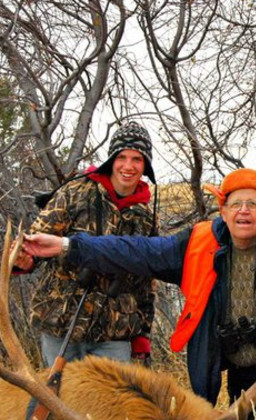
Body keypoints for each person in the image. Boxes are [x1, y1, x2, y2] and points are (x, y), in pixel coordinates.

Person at [21, 168, 256, 420]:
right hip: (248, 379)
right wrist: (68, 246)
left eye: (254, 204)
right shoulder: (197, 245)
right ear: (222, 209)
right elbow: (134, 251)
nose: (244, 211)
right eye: (235, 204)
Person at [14, 121, 159, 367]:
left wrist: (142, 335)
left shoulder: (146, 217)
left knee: (111, 402)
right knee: (57, 396)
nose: (128, 166)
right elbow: (37, 241)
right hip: (62, 324)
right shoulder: (75, 193)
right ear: (111, 160)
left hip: (115, 332)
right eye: (122, 157)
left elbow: (146, 283)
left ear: (145, 165)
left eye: (137, 159)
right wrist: (25, 259)